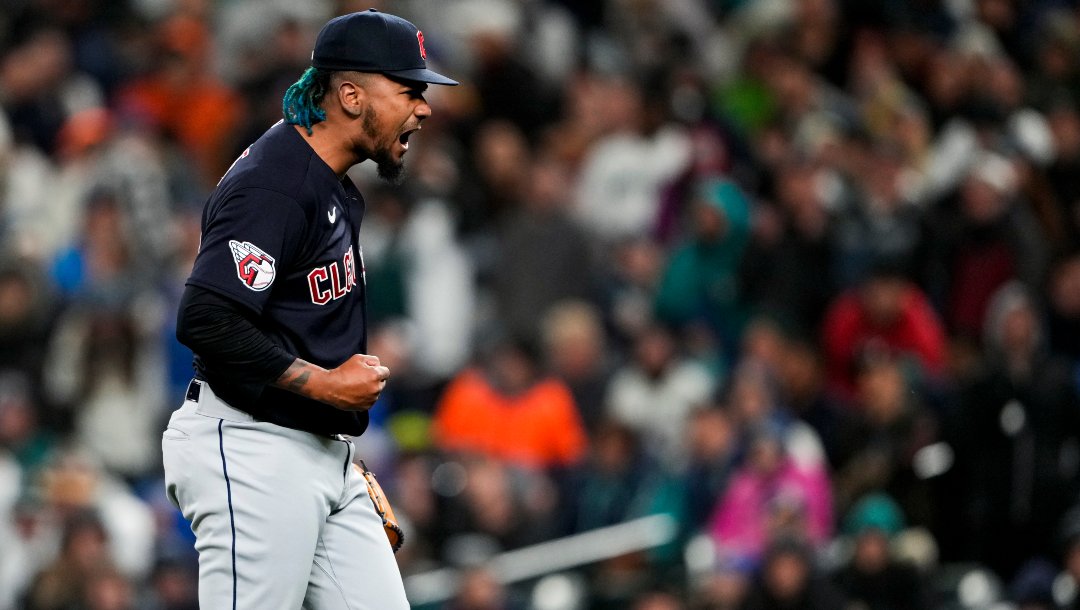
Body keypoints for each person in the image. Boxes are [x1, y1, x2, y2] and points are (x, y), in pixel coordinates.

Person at [162, 9, 457, 609]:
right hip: (251, 450)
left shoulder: (328, 179)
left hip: (314, 452)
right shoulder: (277, 184)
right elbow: (206, 319)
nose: (423, 107)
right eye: (409, 89)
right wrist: (323, 386)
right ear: (350, 94)